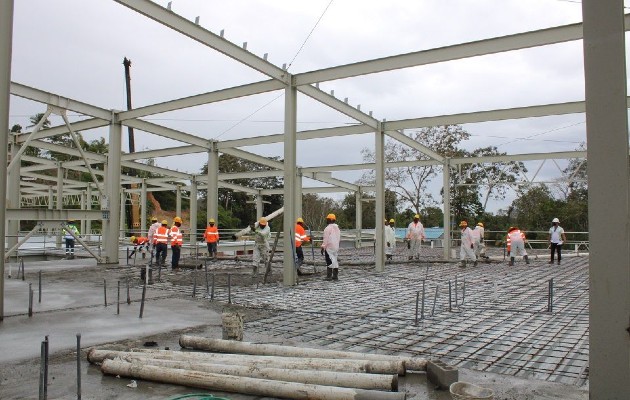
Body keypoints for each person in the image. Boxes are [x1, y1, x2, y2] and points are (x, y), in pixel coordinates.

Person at [321, 213, 341, 281]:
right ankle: (335, 276)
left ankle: (329, 276)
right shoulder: (337, 228)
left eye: (327, 219)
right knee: (335, 260)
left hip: (329, 247)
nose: (326, 220)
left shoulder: (327, 228)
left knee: (329, 260)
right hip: (336, 247)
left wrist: (323, 247)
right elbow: (338, 238)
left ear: (330, 219)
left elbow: (325, 239)